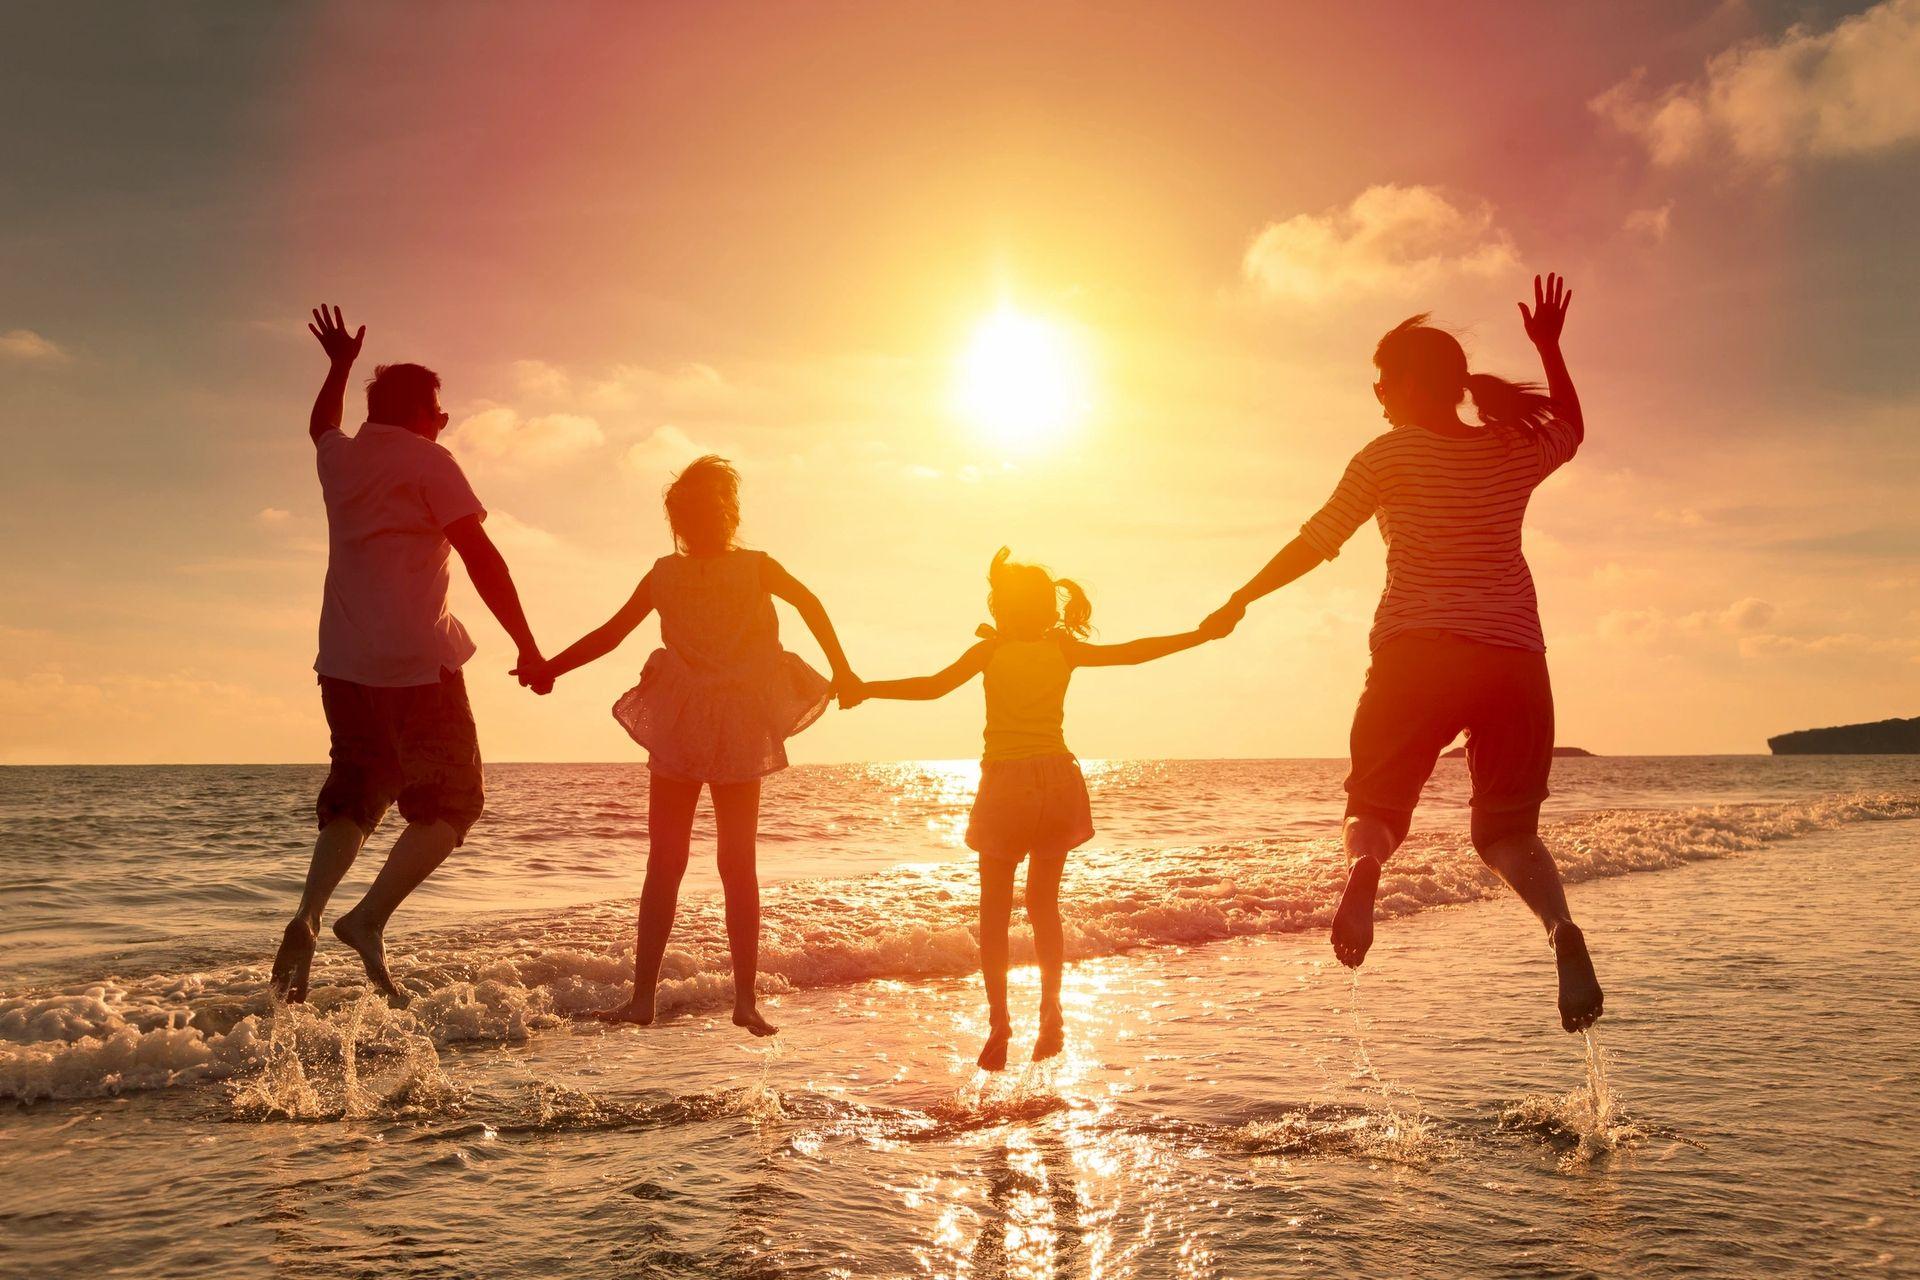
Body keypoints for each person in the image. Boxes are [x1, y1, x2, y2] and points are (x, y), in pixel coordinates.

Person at [1203, 274, 1603, 1033]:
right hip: (1514, 661)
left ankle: (1365, 872)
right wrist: (1550, 350)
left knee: (1376, 808)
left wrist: (1242, 597)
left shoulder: (1386, 457)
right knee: (1508, 834)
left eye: (1382, 381)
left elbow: (1316, 542)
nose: (1377, 396)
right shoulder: (1510, 449)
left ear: (1412, 385)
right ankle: (1559, 928)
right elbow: (1573, 431)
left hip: (1417, 653)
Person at [841, 549, 1226, 1070]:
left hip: (1007, 784)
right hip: (1060, 780)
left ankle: (1000, 1021)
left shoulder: (990, 652)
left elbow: (931, 688)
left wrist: (864, 688)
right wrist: (1201, 635)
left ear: (1002, 609)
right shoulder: (1064, 649)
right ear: (1046, 609)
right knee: (1044, 905)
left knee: (995, 912)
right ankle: (1051, 1012)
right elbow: (1135, 652)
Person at [513, 456, 855, 1037]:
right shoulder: (753, 567)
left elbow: (610, 633)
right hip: (738, 722)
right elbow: (812, 605)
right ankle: (743, 1000)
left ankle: (644, 998)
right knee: (735, 864)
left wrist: (550, 667)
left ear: (680, 521)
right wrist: (842, 671)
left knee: (665, 862)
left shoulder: (666, 573)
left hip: (682, 720)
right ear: (729, 514)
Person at [270, 305, 544, 1008]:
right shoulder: (431, 461)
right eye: (440, 410)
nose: (445, 421)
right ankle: (367, 919)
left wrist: (337, 367)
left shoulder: (343, 459)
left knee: (358, 793)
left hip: (343, 662)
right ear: (424, 414)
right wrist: (528, 645)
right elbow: (483, 558)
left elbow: (320, 427)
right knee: (454, 801)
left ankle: (309, 909)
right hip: (419, 664)